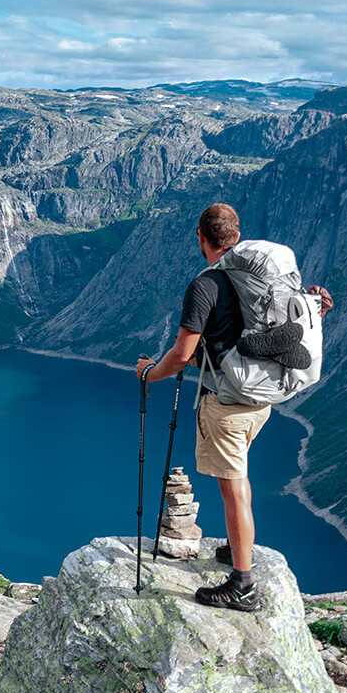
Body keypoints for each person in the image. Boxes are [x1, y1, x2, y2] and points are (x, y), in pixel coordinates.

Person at [135, 203, 268, 612]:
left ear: (201, 237)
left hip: (227, 404)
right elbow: (228, 342)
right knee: (239, 480)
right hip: (260, 397)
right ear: (236, 235)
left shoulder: (205, 285)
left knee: (232, 490)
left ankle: (242, 585)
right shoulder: (257, 275)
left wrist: (149, 374)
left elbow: (182, 352)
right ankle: (236, 548)